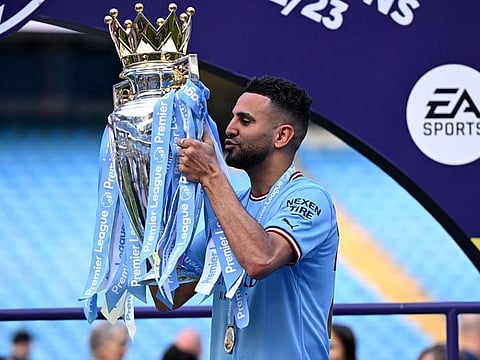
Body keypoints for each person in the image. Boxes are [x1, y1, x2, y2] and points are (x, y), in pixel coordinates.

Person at [149, 76, 339, 359]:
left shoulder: (310, 198)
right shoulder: (233, 206)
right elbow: (168, 296)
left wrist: (212, 175)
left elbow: (260, 259)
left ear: (281, 136)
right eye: (232, 118)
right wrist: (148, 201)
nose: (230, 128)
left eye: (245, 121)